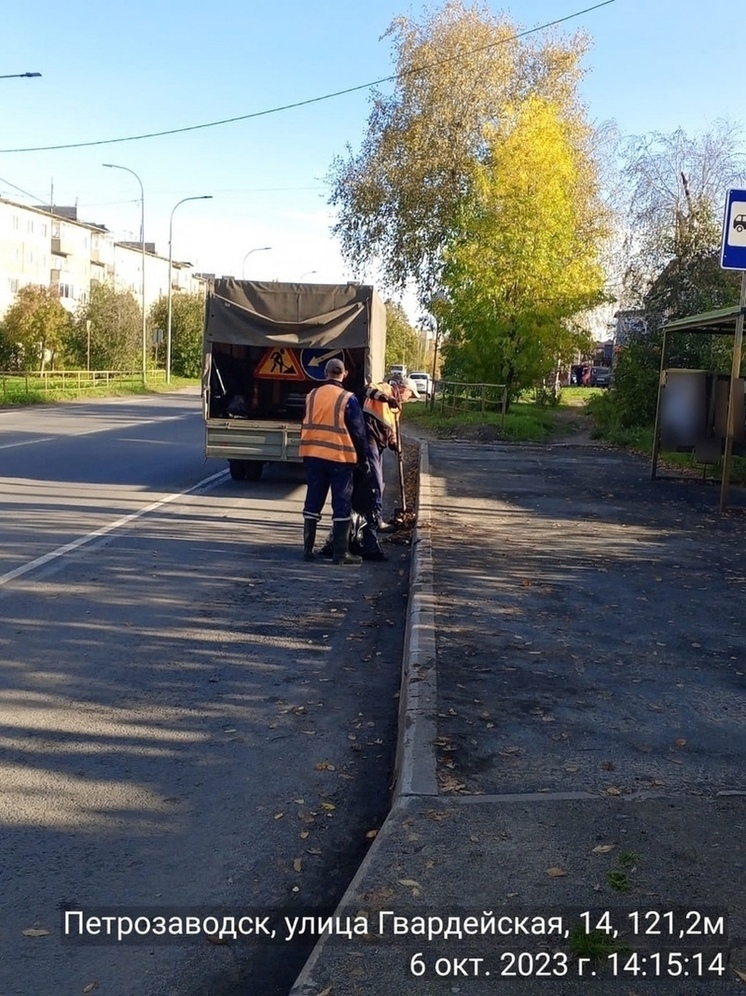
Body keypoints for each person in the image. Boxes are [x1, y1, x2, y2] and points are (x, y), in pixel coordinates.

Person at [299, 357, 369, 565]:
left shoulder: (311, 396)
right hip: (340, 458)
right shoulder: (348, 398)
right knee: (341, 503)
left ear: (325, 373)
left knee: (313, 500)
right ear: (344, 374)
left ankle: (307, 551)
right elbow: (358, 431)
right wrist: (363, 458)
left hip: (313, 455)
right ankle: (340, 554)